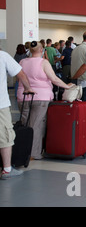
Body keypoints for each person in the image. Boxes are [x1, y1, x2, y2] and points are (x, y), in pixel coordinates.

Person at [17, 41, 73, 160]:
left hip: (23, 96)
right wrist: (67, 86)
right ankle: (33, 153)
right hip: (40, 97)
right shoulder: (44, 62)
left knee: (24, 125)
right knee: (36, 126)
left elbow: (18, 78)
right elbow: (54, 79)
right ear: (42, 50)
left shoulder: (22, 62)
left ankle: (21, 151)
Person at [0, 49, 34, 179]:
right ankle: (7, 170)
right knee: (5, 135)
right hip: (0, 105)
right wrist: (28, 88)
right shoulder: (2, 56)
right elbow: (20, 74)